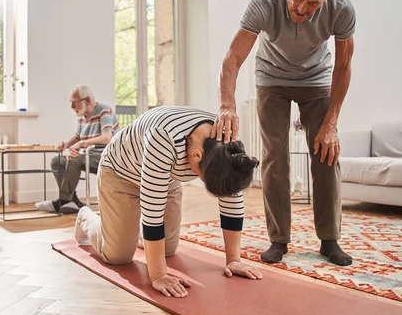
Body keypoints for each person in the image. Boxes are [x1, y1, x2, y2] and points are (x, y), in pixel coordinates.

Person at [213, 0, 355, 266]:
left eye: (313, 3)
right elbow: (232, 59)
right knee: (274, 155)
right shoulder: (264, 3)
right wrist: (227, 104)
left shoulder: (342, 10)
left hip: (316, 81)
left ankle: (329, 240)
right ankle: (279, 240)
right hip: (271, 80)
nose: (302, 8)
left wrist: (331, 123)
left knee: (326, 154)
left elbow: (343, 67)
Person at [75, 106, 263, 298]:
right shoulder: (163, 138)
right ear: (196, 155)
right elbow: (152, 211)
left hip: (165, 174)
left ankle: (132, 231)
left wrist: (233, 260)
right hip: (120, 173)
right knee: (118, 256)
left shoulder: (227, 141)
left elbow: (231, 197)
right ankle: (85, 217)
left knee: (167, 249)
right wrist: (158, 275)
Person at [36, 85, 119, 214]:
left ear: (87, 100)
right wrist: (66, 144)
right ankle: (72, 200)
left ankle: (63, 201)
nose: (71, 107)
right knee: (57, 161)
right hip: (88, 155)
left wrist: (80, 144)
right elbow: (77, 137)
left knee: (74, 159)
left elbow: (106, 138)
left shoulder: (104, 110)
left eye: (75, 103)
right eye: (71, 103)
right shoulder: (81, 116)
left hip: (106, 156)